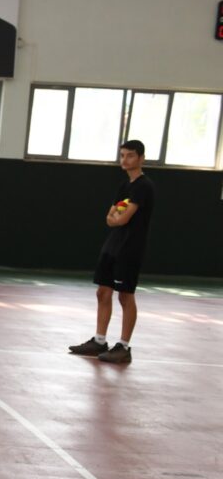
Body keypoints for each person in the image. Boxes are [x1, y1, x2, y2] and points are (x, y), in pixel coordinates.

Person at [69, 140, 155, 365]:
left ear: (141, 158)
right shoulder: (124, 186)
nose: (125, 160)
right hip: (113, 244)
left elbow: (122, 218)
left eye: (130, 155)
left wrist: (116, 217)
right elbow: (110, 218)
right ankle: (99, 341)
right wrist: (115, 218)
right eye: (122, 155)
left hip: (130, 247)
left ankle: (124, 347)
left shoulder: (143, 187)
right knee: (102, 292)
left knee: (125, 295)